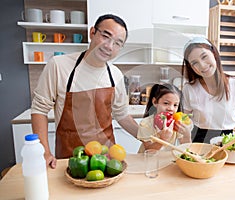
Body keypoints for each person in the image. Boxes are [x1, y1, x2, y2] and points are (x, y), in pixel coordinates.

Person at [31, 14, 139, 169]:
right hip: (72, 160)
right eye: (105, 36)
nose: (109, 46)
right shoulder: (59, 66)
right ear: (92, 32)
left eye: (117, 43)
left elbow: (122, 114)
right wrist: (44, 152)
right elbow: (39, 110)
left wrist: (146, 137)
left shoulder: (115, 75)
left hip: (107, 160)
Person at [181, 36, 235, 160]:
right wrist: (185, 146)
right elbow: (184, 122)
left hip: (229, 142)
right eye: (195, 63)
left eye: (204, 56)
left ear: (214, 53)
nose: (202, 66)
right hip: (199, 144)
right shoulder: (189, 89)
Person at [137, 83, 192, 152]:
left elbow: (186, 149)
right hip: (147, 161)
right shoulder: (145, 123)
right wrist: (163, 139)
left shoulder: (177, 123)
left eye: (175, 105)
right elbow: (149, 150)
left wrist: (187, 135)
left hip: (166, 160)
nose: (171, 108)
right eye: (166, 103)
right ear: (155, 102)